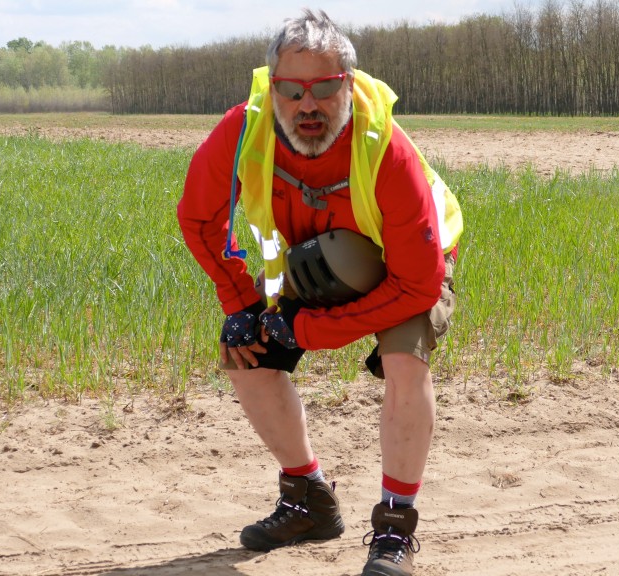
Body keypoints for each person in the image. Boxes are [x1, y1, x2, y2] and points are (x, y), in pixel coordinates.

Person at [177, 8, 463, 576]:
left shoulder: (387, 149)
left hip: (405, 264)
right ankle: (308, 499)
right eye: (292, 89)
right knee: (246, 354)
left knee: (405, 364)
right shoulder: (243, 129)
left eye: (325, 88)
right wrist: (240, 303)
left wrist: (307, 329)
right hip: (312, 257)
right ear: (273, 87)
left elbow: (418, 283)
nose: (308, 105)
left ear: (349, 87)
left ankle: (394, 530)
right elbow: (199, 219)